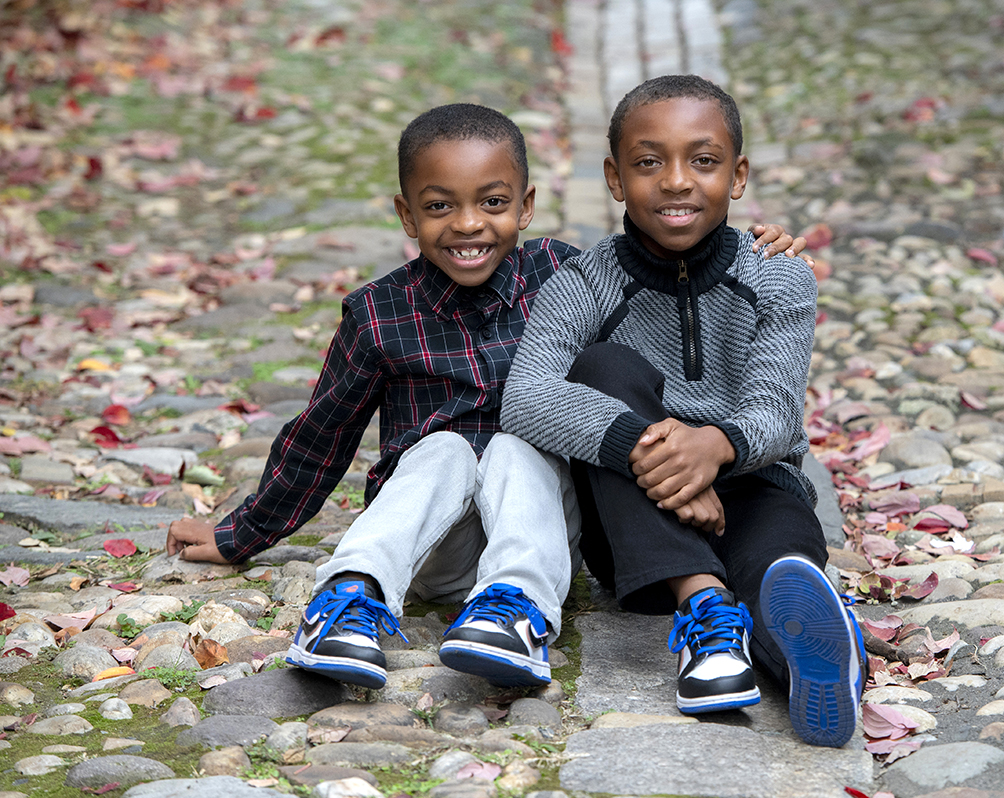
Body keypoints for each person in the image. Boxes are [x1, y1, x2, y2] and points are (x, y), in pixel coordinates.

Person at [165, 103, 803, 691]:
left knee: (515, 448)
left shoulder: (564, 273)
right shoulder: (378, 314)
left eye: (492, 202)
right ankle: (350, 597)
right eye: (440, 207)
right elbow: (321, 438)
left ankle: (515, 614)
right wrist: (241, 535)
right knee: (442, 449)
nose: (469, 225)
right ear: (407, 215)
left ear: (524, 207)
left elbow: (654, 302)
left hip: (541, 527)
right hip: (438, 541)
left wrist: (749, 249)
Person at [500, 75, 865, 747]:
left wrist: (715, 447)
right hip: (639, 518)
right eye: (648, 162)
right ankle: (703, 608)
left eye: (703, 160)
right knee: (603, 368)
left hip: (755, 488)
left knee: (780, 578)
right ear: (614, 177)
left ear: (738, 174)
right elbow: (525, 394)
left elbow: (777, 412)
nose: (676, 180)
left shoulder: (776, 274)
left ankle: (825, 664)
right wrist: (651, 451)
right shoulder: (584, 281)